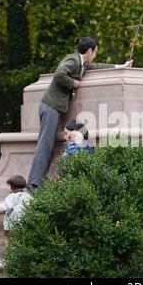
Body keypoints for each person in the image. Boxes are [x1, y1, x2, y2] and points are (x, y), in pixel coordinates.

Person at [27, 37, 132, 190]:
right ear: (89, 51)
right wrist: (73, 83)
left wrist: (120, 66)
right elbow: (59, 74)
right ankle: (34, 183)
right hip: (50, 106)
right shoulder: (73, 61)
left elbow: (95, 67)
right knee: (45, 145)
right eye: (95, 52)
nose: (95, 55)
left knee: (49, 145)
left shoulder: (80, 62)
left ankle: (37, 182)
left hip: (54, 107)